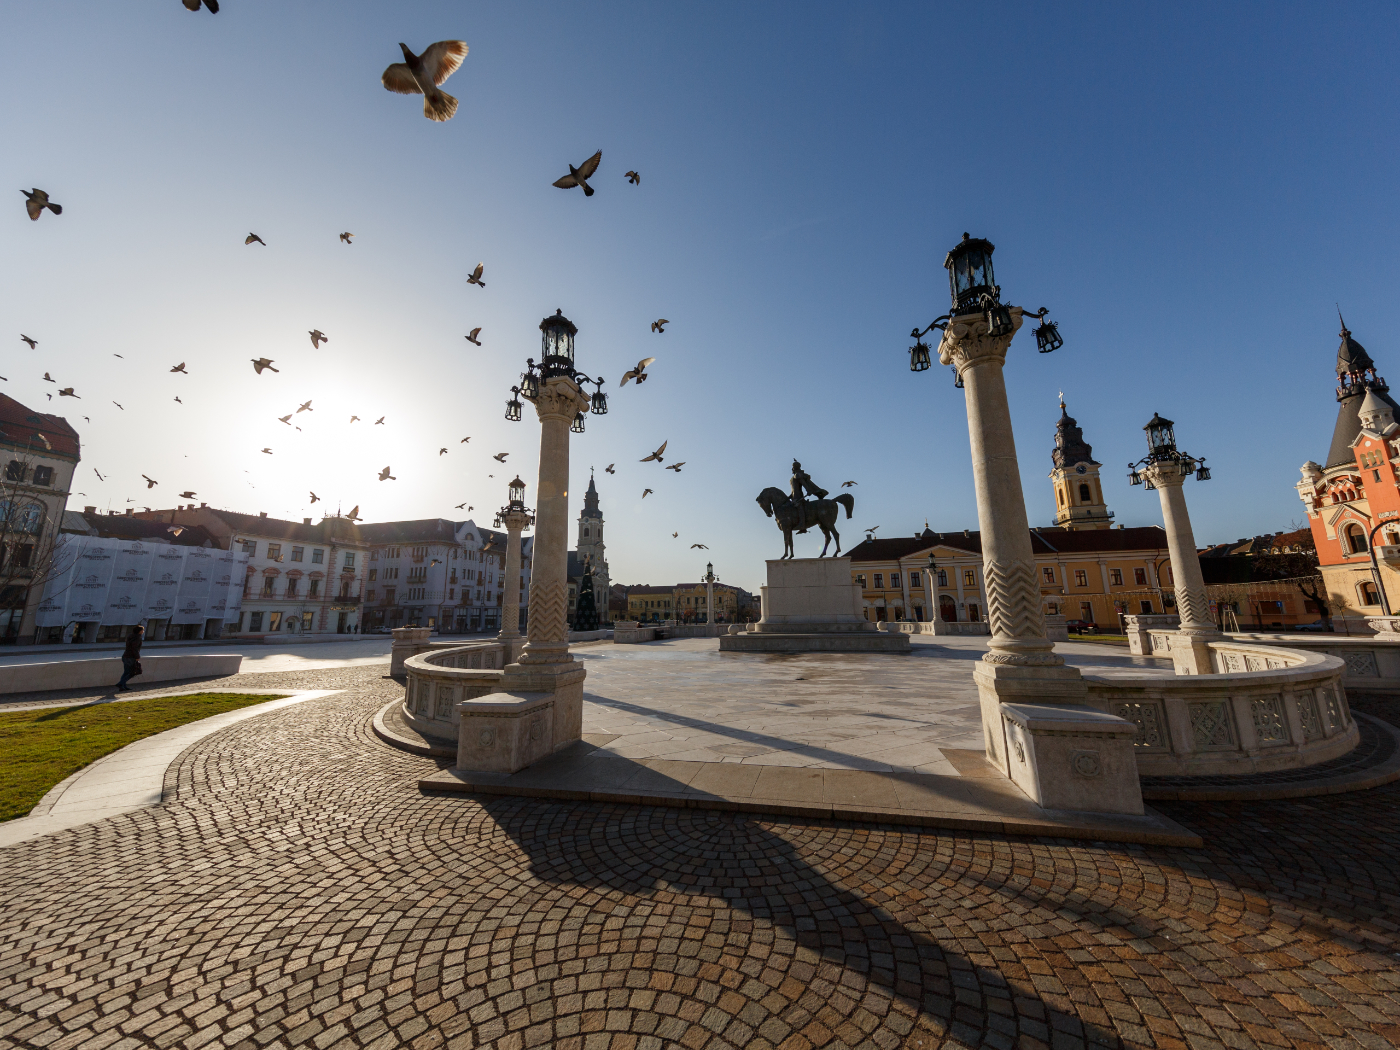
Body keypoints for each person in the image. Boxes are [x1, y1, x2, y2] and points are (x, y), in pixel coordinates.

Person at [117, 625, 144, 692]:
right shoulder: (137, 637)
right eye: (142, 630)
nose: (143, 631)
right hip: (131, 657)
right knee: (131, 672)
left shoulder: (130, 636)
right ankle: (121, 684)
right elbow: (134, 648)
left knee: (126, 672)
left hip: (125, 656)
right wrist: (137, 657)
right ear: (139, 631)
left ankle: (123, 686)